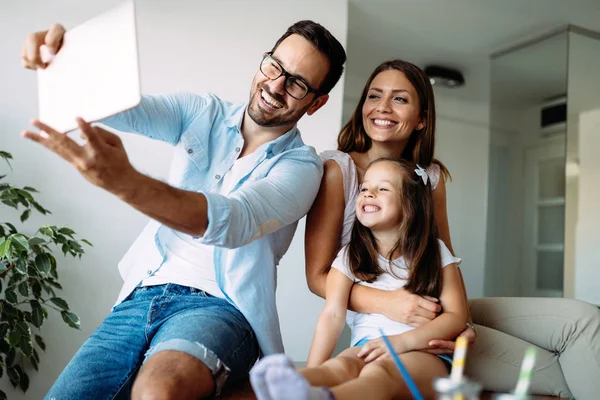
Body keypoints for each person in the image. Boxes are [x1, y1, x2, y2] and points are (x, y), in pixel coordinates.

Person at [21, 20, 346, 399]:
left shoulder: (303, 167)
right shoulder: (202, 112)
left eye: (297, 84)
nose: (275, 86)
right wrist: (60, 59)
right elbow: (119, 106)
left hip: (221, 310)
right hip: (141, 294)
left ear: (316, 103)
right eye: (274, 66)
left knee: (159, 392)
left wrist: (126, 182)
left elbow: (232, 221)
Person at [303, 59, 600, 399]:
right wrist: (392, 305)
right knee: (563, 372)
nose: (382, 107)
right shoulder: (337, 170)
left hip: (438, 311)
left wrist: (463, 322)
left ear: (421, 120)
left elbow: (442, 258)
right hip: (401, 325)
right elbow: (317, 278)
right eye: (374, 95)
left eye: (399, 98)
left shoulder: (429, 177)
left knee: (584, 320)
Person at [250, 158, 469, 400]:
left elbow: (456, 316)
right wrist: (314, 368)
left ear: (411, 204)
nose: (368, 194)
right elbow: (332, 315)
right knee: (340, 366)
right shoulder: (349, 256)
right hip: (368, 345)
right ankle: (291, 386)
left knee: (379, 373)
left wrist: (401, 342)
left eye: (382, 188)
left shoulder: (435, 252)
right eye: (364, 188)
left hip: (425, 353)